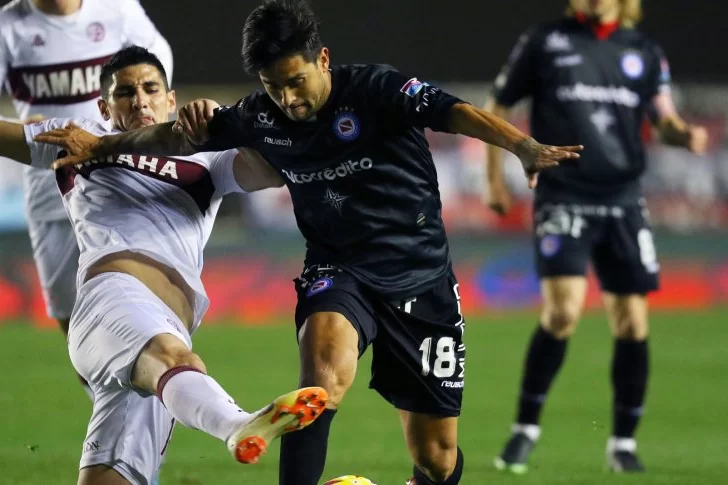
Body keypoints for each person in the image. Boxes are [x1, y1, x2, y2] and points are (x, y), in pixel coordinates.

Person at [34, 1, 583, 484]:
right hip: (338, 271)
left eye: (297, 82)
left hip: (421, 277)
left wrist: (523, 146)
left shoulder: (375, 88)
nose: (289, 99)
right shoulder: (259, 116)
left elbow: (455, 112)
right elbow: (173, 136)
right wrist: (103, 145)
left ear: (323, 60)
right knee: (319, 384)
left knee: (437, 458)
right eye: (274, 86)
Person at [1, 45, 328, 485]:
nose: (140, 99)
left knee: (110, 478)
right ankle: (237, 424)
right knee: (175, 357)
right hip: (112, 302)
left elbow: (272, 168)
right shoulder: (79, 140)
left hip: (168, 344)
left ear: (170, 100)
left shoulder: (209, 160)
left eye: (151, 89)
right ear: (104, 106)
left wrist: (229, 124)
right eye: (125, 92)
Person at [483, 0, 708, 474]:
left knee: (632, 321)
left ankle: (622, 444)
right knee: (563, 311)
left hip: (624, 199)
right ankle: (525, 430)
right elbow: (497, 103)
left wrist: (683, 134)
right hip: (563, 194)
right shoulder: (545, 41)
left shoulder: (643, 51)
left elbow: (663, 120)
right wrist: (494, 178)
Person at [0, 0, 173, 396]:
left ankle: (157, 399)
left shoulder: (117, 10)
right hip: (48, 178)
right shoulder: (9, 26)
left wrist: (134, 131)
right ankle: (108, 405)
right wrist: (17, 126)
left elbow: (158, 67)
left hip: (116, 174)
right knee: (70, 319)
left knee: (142, 306)